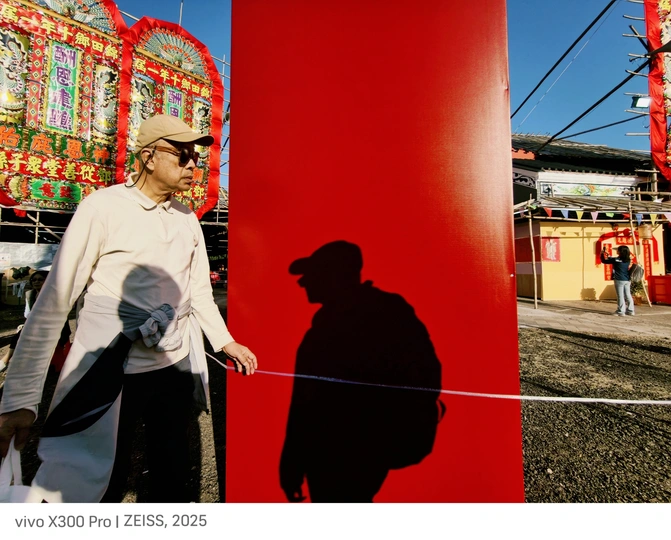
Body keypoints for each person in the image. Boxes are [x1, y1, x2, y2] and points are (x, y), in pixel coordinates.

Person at [0, 114, 257, 503]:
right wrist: (20, 398)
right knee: (100, 477)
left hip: (173, 364)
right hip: (110, 366)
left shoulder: (187, 219)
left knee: (174, 468)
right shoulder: (103, 208)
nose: (193, 165)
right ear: (149, 157)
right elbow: (55, 301)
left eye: (196, 158)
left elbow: (198, 291)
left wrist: (224, 341)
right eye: (183, 155)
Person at [280, 241, 443, 503]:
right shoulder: (386, 314)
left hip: (341, 453)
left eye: (312, 274)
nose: (303, 282)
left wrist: (293, 463)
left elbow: (306, 406)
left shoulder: (334, 330)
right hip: (356, 452)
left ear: (334, 275)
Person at [0, 270, 71, 374]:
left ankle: (6, 361)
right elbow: (28, 314)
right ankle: (9, 361)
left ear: (48, 281)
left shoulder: (54, 295)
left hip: (55, 327)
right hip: (37, 325)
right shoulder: (30, 294)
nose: (36, 282)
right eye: (34, 280)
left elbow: (57, 316)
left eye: (40, 280)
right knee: (21, 334)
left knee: (24, 334)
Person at [601, 245, 635, 316]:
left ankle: (621, 311)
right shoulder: (628, 259)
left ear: (620, 252)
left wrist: (602, 254)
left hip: (619, 280)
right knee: (628, 295)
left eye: (618, 250)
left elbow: (604, 261)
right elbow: (614, 259)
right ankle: (631, 310)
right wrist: (608, 255)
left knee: (620, 296)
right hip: (627, 279)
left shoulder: (616, 260)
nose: (617, 251)